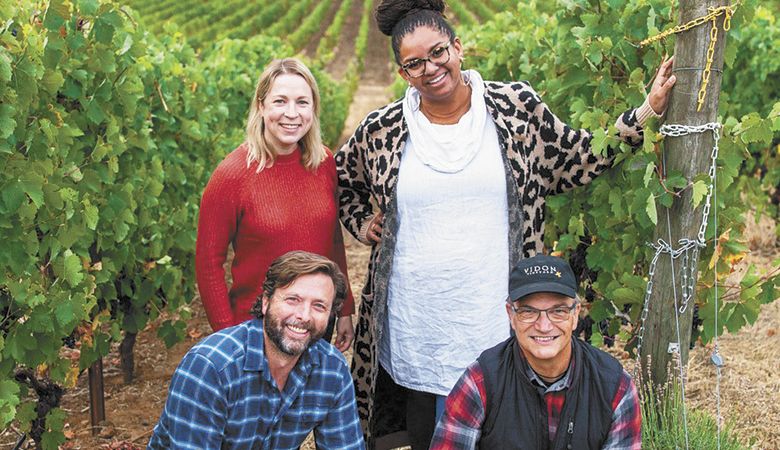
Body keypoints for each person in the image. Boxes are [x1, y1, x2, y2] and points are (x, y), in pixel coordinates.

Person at [335, 1, 674, 447]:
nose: (431, 68)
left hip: (497, 316)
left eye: (438, 53)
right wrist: (363, 223)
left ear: (458, 47)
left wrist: (645, 112)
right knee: (432, 436)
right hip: (418, 324)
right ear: (402, 73)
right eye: (414, 63)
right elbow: (341, 181)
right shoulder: (382, 129)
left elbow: (577, 156)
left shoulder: (515, 108)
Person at [196, 58, 354, 351]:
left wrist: (343, 308)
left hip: (316, 323)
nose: (291, 113)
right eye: (280, 101)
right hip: (257, 330)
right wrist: (227, 338)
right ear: (261, 106)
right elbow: (208, 263)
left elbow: (332, 242)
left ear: (313, 109)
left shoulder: (324, 163)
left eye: (302, 102)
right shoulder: (232, 175)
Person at [148, 251, 365, 450]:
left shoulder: (332, 369)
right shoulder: (210, 368)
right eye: (293, 300)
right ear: (265, 302)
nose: (304, 316)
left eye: (319, 306)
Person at [430, 254, 641, 449]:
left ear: (575, 314)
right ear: (510, 315)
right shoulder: (479, 382)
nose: (543, 325)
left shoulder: (615, 387)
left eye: (558, 311)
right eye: (528, 311)